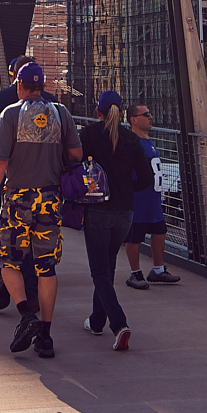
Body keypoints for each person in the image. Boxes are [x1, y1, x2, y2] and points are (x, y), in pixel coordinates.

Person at [0, 61, 83, 359]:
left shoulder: (10, 114)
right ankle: (46, 338)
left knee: (9, 261)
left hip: (17, 197)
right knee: (46, 267)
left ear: (19, 86)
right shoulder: (60, 113)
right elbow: (76, 153)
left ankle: (27, 316)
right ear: (42, 86)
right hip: (51, 198)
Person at [78, 90, 153, 350]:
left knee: (98, 269)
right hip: (125, 211)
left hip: (98, 208)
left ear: (97, 112)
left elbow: (73, 164)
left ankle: (119, 323)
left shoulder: (88, 134)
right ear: (122, 113)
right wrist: (126, 186)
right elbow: (146, 179)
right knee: (108, 264)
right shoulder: (131, 139)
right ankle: (96, 321)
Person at [0, 52, 41, 311]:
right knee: (35, 230)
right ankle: (31, 283)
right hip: (42, 182)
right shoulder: (52, 105)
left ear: (15, 77)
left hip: (4, 178)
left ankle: (1, 271)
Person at [124, 102, 179, 287]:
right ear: (133, 119)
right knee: (134, 236)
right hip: (138, 199)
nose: (150, 117)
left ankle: (158, 269)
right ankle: (135, 272)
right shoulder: (132, 142)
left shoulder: (148, 141)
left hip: (153, 199)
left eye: (150, 113)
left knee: (160, 232)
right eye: (146, 114)